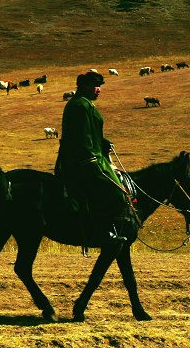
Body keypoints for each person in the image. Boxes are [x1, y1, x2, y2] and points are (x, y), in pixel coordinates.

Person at [55, 69, 130, 249]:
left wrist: (103, 143)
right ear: (85, 86)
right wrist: (92, 161)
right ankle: (102, 231)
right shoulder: (80, 105)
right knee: (112, 190)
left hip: (93, 157)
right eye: (96, 86)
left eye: (100, 86)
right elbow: (82, 138)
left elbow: (90, 133)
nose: (99, 89)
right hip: (81, 161)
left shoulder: (85, 104)